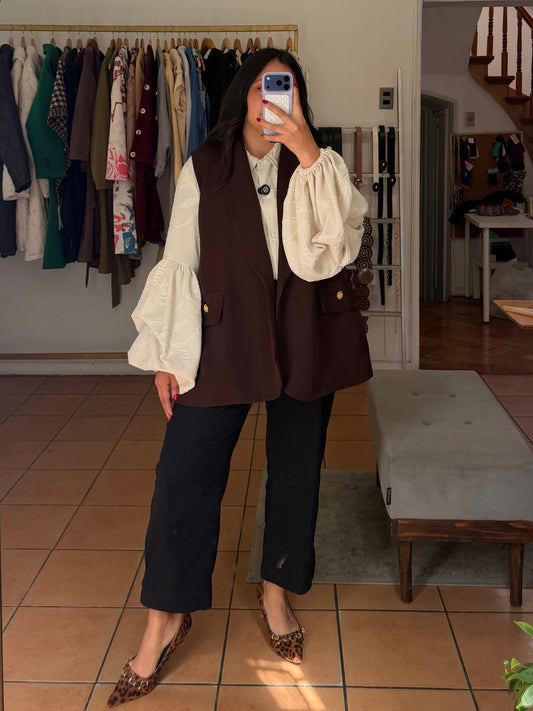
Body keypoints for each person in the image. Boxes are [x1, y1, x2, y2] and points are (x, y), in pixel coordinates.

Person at [108, 47, 372, 707]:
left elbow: (340, 244)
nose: (269, 98)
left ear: (298, 98)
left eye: (283, 87)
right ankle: (164, 617)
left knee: (296, 472)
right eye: (260, 86)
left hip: (305, 335)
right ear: (242, 95)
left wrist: (307, 150)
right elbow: (180, 258)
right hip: (220, 338)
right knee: (183, 476)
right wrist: (167, 355)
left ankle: (276, 589)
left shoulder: (319, 162)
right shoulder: (205, 163)